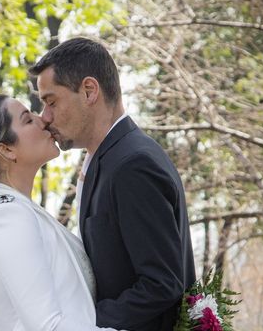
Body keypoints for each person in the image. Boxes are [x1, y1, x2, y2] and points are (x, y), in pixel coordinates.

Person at [29, 37, 196, 331]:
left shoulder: (133, 164)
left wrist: (84, 322)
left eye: (51, 101)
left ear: (89, 91)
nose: (45, 117)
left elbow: (162, 283)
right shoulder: (107, 158)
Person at [0, 94, 118, 331]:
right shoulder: (4, 217)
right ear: (6, 149)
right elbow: (48, 327)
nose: (43, 120)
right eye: (27, 120)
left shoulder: (18, 209)